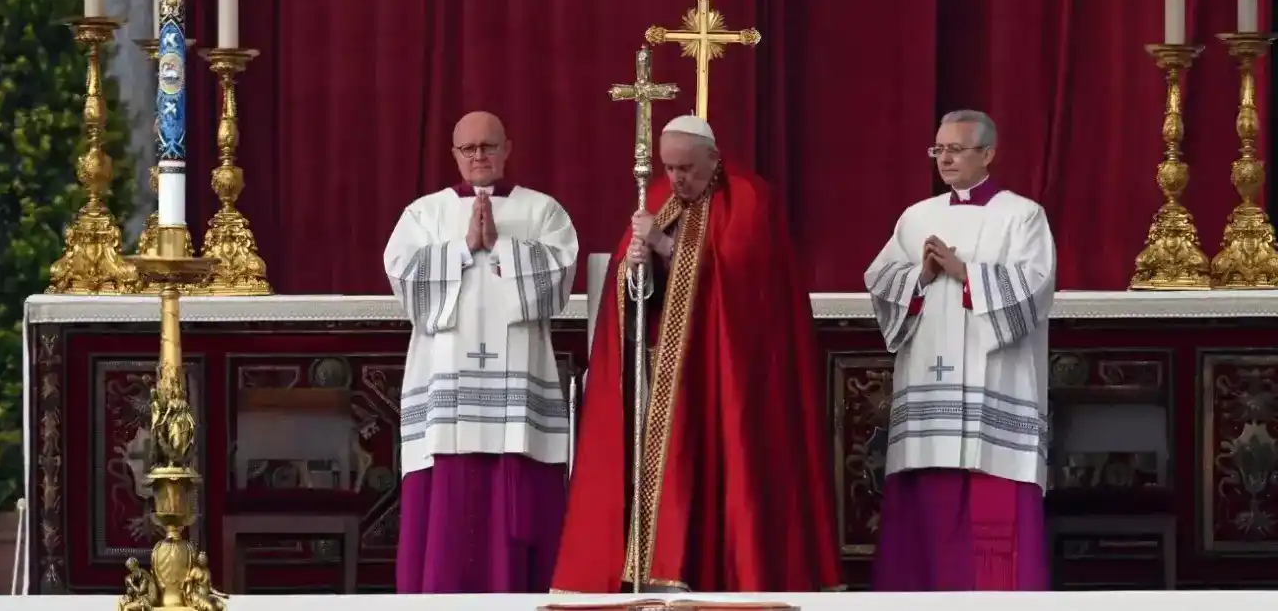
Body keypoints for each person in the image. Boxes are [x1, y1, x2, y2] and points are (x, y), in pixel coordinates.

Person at [552, 115, 842, 593]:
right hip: (669, 374)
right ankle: (663, 572)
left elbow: (741, 279)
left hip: (727, 373)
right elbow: (635, 294)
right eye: (669, 168)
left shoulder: (749, 197)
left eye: (686, 168)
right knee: (673, 467)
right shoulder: (658, 198)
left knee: (730, 469)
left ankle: (736, 574)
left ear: (714, 158)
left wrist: (665, 243)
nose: (677, 179)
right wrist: (635, 269)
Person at [384, 111, 580, 593]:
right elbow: (404, 277)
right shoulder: (424, 214)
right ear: (454, 154)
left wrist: (502, 246)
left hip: (517, 409)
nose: (479, 156)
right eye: (468, 148)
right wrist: (463, 247)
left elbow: (558, 278)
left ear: (507, 149)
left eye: (488, 146)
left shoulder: (542, 211)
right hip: (445, 401)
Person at [864, 109, 1055, 591]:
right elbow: (881, 283)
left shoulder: (1022, 215)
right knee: (928, 503)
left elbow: (1034, 289)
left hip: (997, 382)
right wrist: (921, 276)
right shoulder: (916, 217)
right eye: (939, 150)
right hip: (928, 382)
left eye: (955, 149)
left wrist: (965, 273)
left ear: (987, 154)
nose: (944, 159)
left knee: (995, 499)